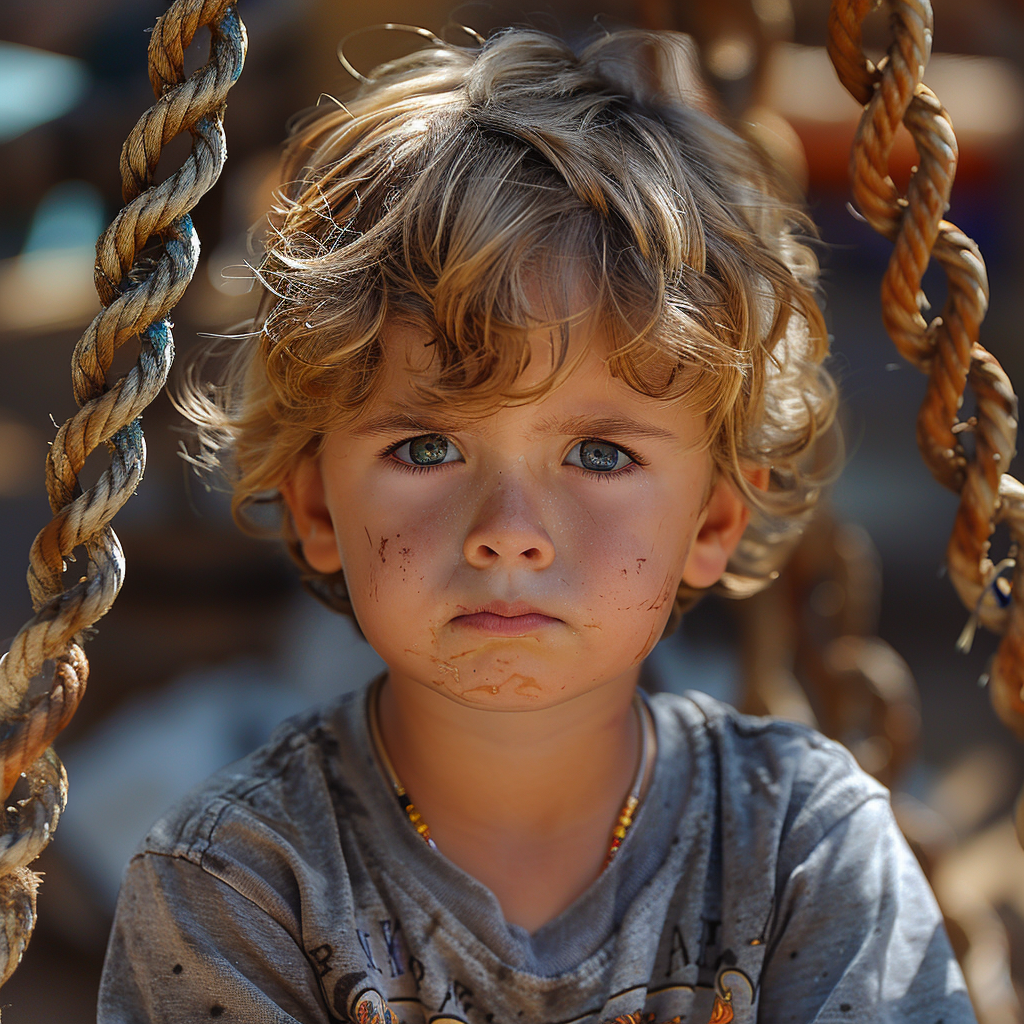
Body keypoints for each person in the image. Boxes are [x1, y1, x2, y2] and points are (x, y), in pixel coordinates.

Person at [97, 25, 976, 1024]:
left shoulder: (805, 850)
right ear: (313, 506)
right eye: (426, 449)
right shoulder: (238, 884)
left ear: (714, 519)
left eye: (600, 455)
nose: (509, 532)